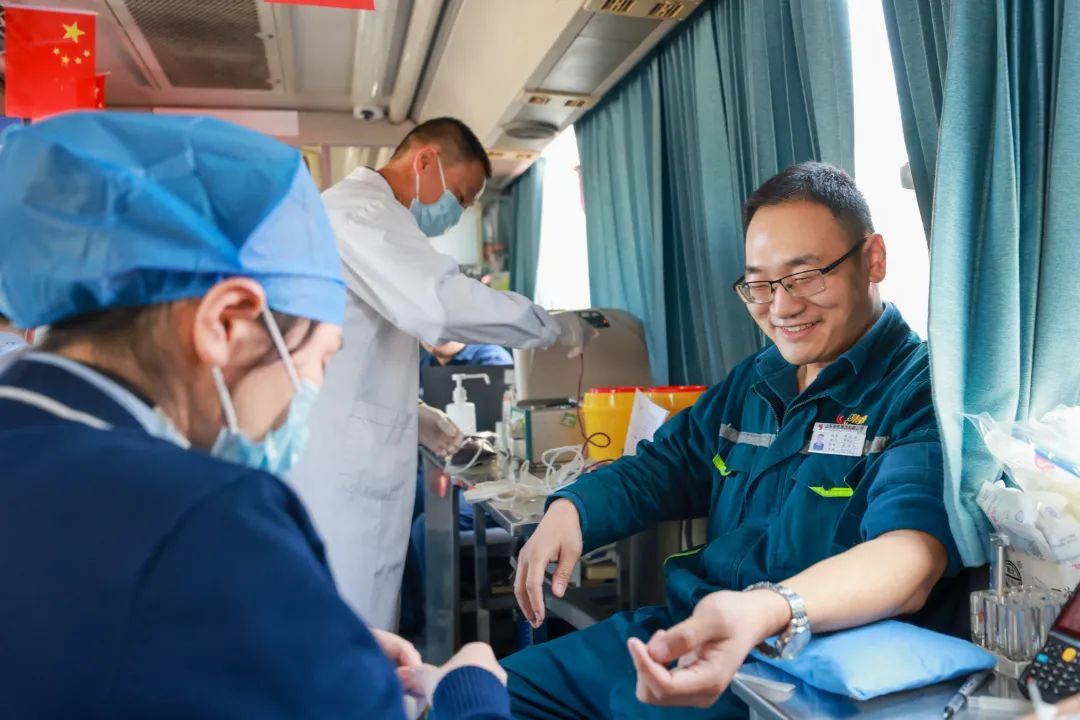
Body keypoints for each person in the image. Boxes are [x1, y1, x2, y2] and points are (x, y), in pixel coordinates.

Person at [0, 112, 510, 720]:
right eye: (320, 360)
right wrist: (469, 689)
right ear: (227, 322)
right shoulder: (209, 517)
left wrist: (284, 647)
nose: (309, 394)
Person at [504, 162, 963, 718]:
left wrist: (769, 609)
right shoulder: (756, 380)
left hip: (793, 667)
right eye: (760, 285)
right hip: (690, 625)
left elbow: (909, 558)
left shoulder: (919, 391)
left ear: (874, 259)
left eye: (806, 275)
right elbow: (664, 465)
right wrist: (573, 508)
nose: (782, 307)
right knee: (479, 694)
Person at [289, 117, 595, 630]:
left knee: (360, 622)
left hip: (349, 454)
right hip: (338, 470)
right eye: (462, 194)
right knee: (347, 624)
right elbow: (438, 302)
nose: (461, 211)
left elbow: (354, 351)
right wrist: (553, 326)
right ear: (425, 160)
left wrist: (415, 415)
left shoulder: (365, 218)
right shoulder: (360, 213)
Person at [400, 341, 514, 636]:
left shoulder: (490, 359)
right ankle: (405, 617)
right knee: (400, 505)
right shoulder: (422, 363)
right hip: (440, 468)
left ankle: (438, 623)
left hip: (484, 473)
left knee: (425, 527)